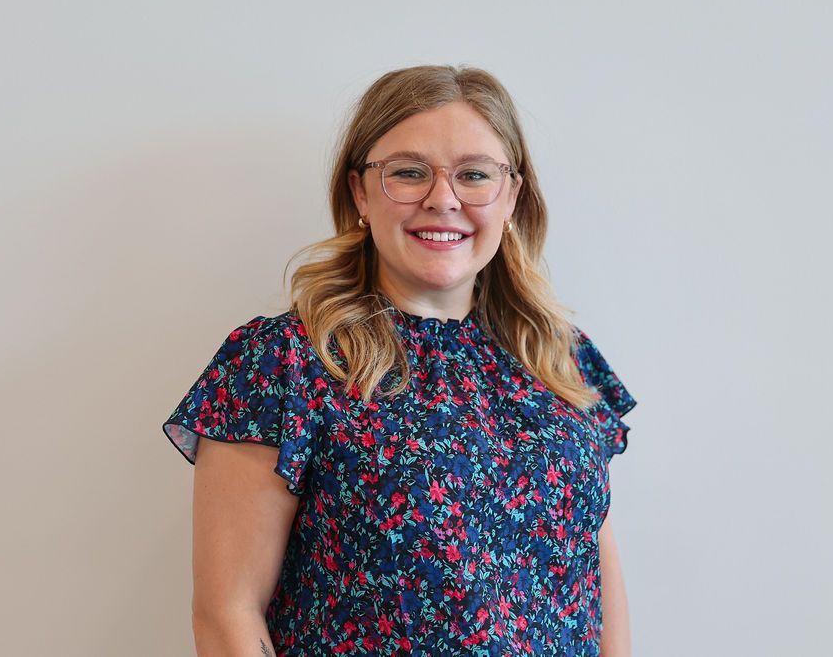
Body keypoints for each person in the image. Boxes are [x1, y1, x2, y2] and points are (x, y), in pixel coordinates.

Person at [162, 65, 639, 656]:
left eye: (474, 175)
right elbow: (227, 613)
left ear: (512, 195)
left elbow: (598, 581)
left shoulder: (562, 358)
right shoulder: (283, 363)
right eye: (408, 173)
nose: (443, 199)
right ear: (359, 191)